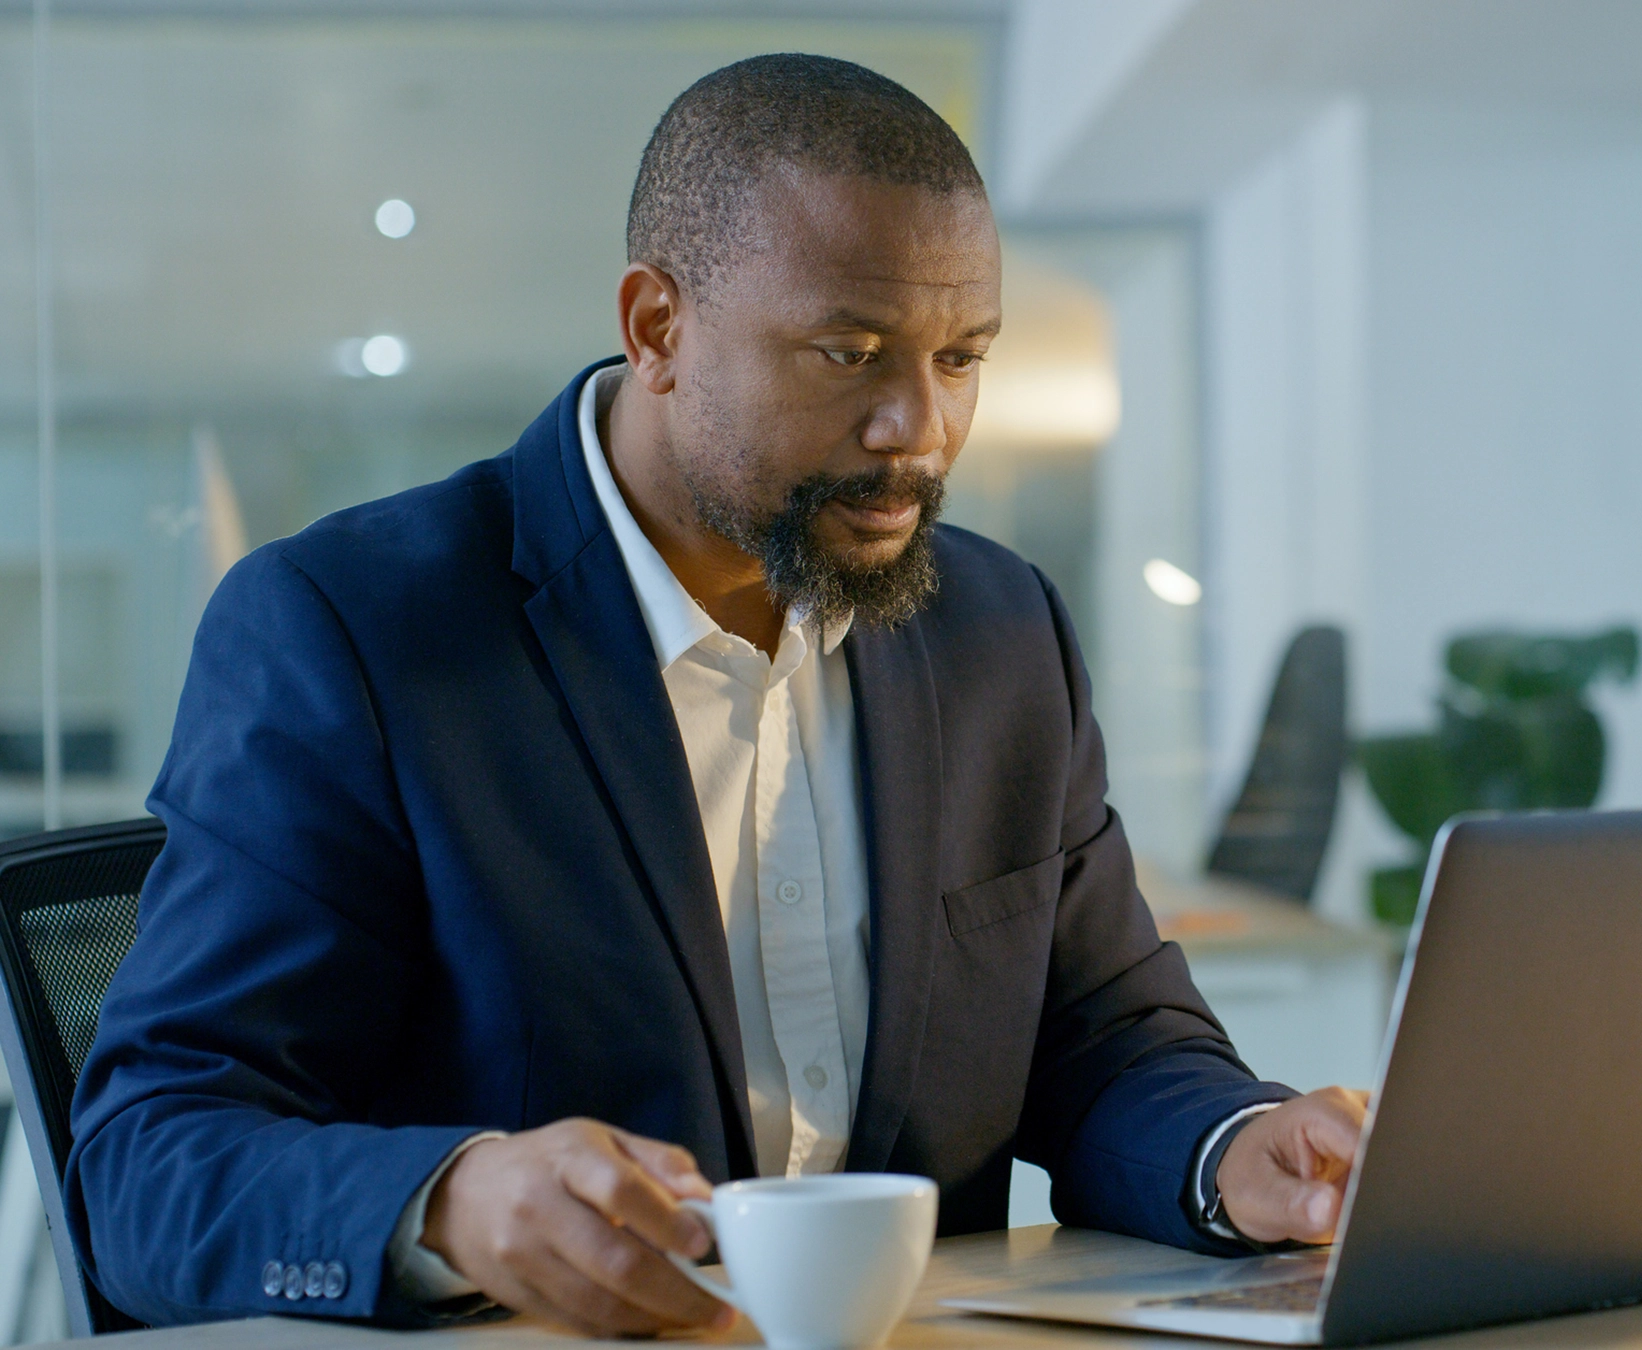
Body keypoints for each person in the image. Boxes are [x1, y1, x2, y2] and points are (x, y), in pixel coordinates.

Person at [67, 54, 1367, 1335]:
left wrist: (1240, 1146)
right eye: (848, 353)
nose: (917, 427)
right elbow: (147, 1161)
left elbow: (1106, 1050)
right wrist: (452, 1199)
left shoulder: (999, 631)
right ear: (657, 329)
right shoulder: (354, 629)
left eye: (963, 356)